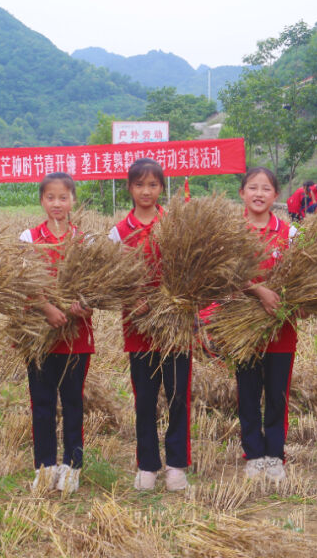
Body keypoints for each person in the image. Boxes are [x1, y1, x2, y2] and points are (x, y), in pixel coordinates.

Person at [108, 158, 191, 492]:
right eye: (139, 184)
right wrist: (135, 302)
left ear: (161, 188)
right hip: (138, 327)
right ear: (130, 188)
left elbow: (189, 275)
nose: (146, 191)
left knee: (177, 396)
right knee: (145, 398)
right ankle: (147, 465)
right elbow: (112, 279)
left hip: (175, 326)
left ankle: (176, 465)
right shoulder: (119, 231)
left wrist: (167, 300)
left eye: (153, 185)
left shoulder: (175, 226)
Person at [19, 172, 94, 494]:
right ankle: (45, 467)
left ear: (73, 200)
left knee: (73, 403)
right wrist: (47, 307)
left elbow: (97, 290)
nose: (57, 204)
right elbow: (20, 283)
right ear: (41, 201)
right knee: (42, 403)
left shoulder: (85, 241)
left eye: (63, 197)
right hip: (38, 334)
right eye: (50, 197)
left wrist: (83, 305)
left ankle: (72, 467)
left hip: (76, 337)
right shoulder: (28, 237)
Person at [234, 166, 298, 482]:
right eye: (253, 188)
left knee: (277, 393)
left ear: (276, 195)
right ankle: (253, 454)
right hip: (241, 328)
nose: (259, 194)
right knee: (247, 392)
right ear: (242, 193)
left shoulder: (289, 233)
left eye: (266, 188)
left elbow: (302, 279)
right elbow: (224, 275)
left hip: (280, 329)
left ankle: (275, 454)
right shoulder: (230, 233)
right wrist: (259, 291)